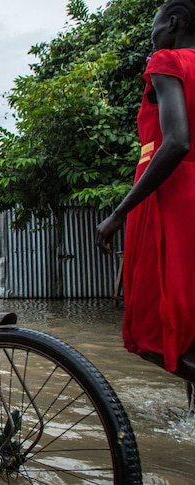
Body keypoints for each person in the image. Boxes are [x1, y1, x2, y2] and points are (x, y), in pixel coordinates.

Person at [97, 0, 195, 400]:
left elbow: (176, 142)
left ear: (172, 23)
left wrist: (120, 212)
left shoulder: (167, 61)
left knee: (151, 333)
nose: (152, 37)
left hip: (174, 201)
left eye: (155, 26)